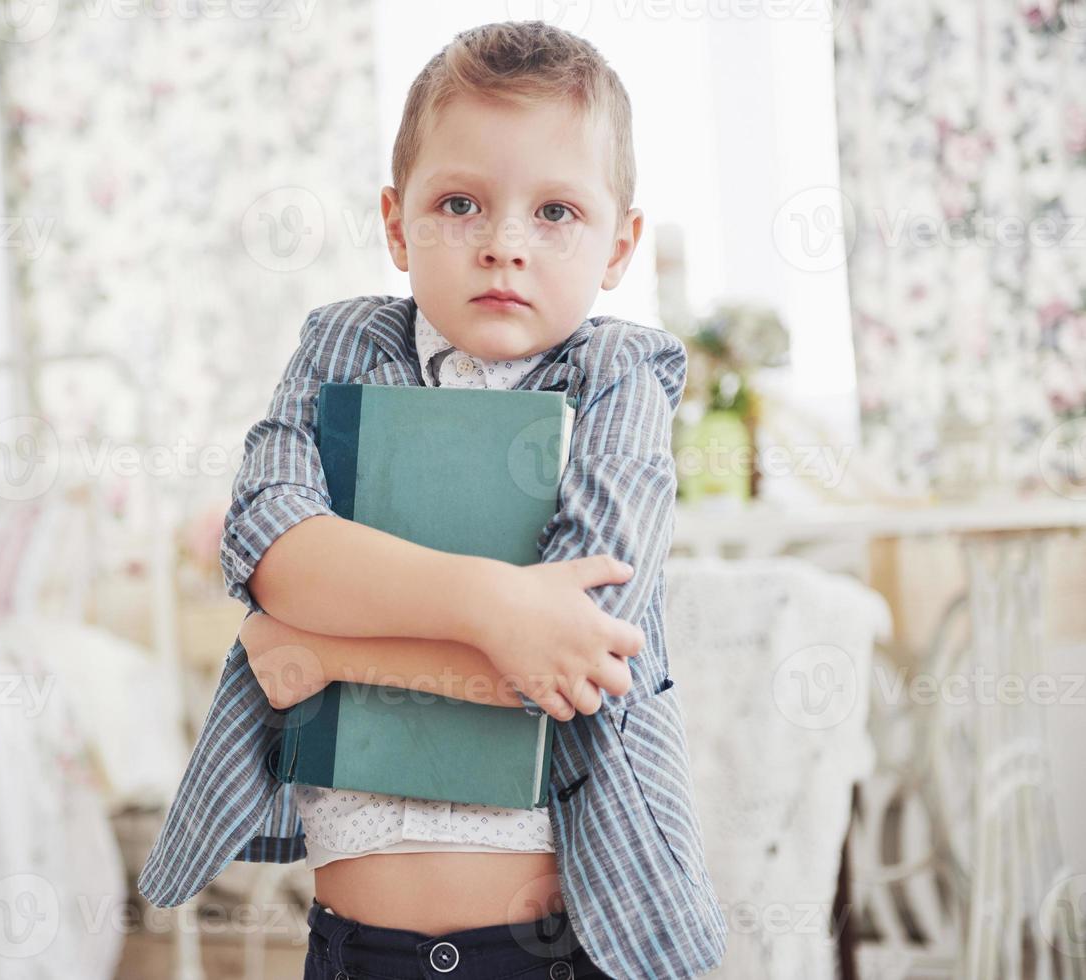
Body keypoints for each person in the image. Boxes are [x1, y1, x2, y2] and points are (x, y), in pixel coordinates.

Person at [138, 20, 726, 979]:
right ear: (394, 223)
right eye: (460, 203)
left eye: (555, 213)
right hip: (353, 945)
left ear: (619, 245)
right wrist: (495, 607)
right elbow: (270, 539)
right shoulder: (343, 346)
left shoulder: (618, 374)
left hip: (557, 947)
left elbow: (577, 652)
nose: (502, 245)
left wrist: (316, 647)